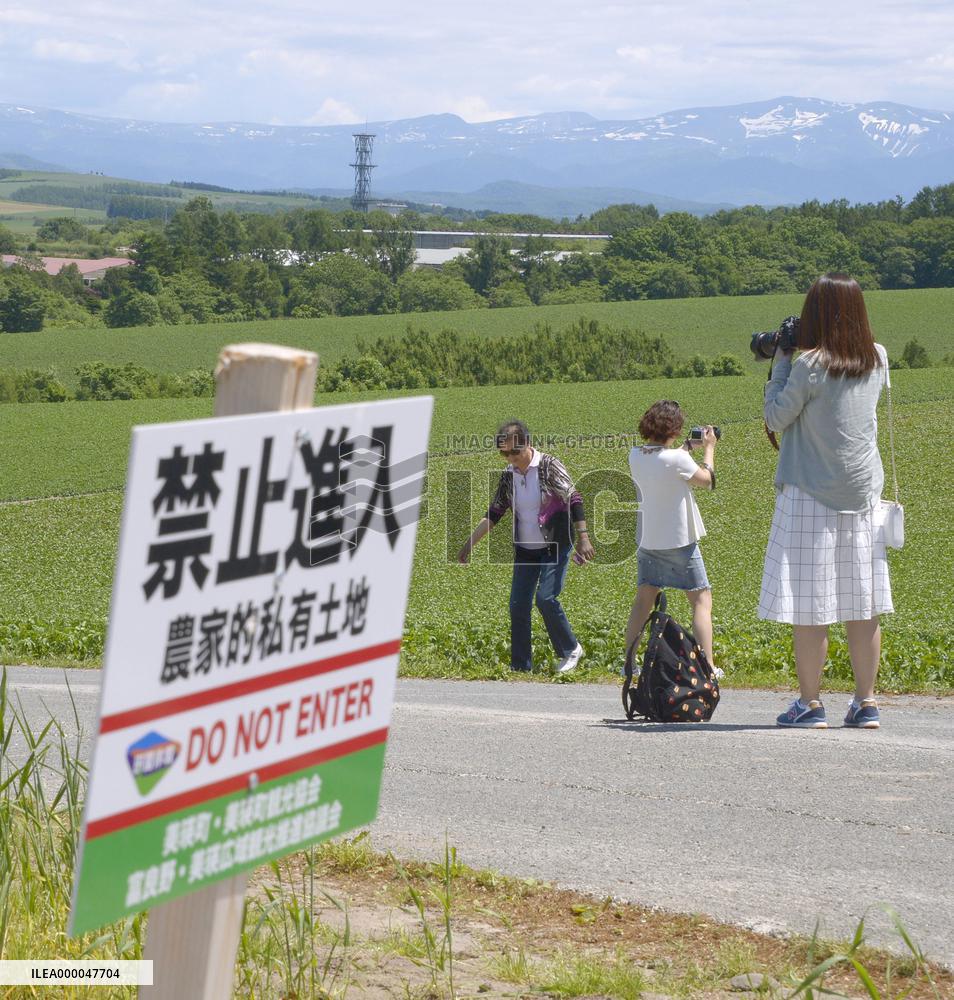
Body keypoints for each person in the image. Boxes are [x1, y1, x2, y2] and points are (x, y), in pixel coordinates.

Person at [758, 272, 892, 730]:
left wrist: (780, 361)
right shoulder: (877, 357)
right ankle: (866, 702)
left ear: (816, 311)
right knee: (863, 601)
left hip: (809, 494)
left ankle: (810, 704)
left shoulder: (809, 364)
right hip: (862, 494)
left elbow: (776, 417)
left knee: (810, 603)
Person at [458, 419, 594, 674]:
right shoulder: (509, 476)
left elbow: (574, 497)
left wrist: (583, 537)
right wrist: (470, 543)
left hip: (555, 543)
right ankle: (520, 667)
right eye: (504, 453)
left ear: (527, 444)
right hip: (526, 549)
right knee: (518, 604)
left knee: (545, 598)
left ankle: (570, 649)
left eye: (514, 452)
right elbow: (495, 512)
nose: (510, 458)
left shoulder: (548, 466)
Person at [624, 401, 719, 672]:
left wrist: (687, 447)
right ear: (674, 429)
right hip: (679, 541)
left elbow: (662, 461)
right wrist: (709, 449)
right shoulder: (677, 459)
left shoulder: (635, 455)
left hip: (648, 540)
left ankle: (629, 664)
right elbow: (707, 480)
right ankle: (708, 666)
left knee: (644, 601)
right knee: (701, 600)